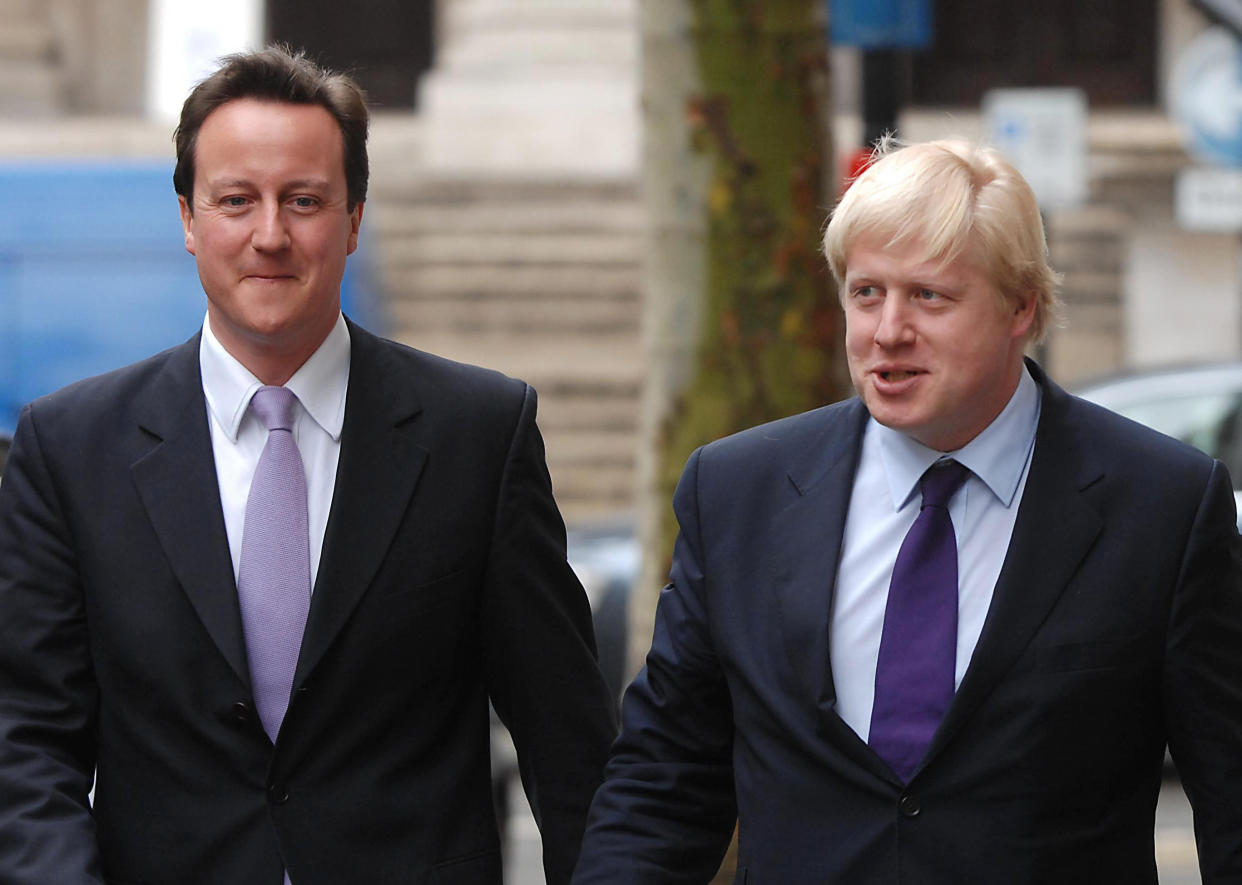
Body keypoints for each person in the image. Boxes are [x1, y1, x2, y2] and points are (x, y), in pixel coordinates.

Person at [0, 45, 617, 885]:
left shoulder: (480, 433)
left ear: (355, 218)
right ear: (187, 218)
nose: (270, 235)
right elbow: (27, 740)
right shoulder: (69, 448)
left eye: (304, 200)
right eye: (236, 200)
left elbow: (567, 738)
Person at [572, 139, 1242, 883]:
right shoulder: (736, 490)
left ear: (1021, 306)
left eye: (929, 295)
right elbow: (665, 776)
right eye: (866, 293)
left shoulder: (1164, 505)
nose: (888, 330)